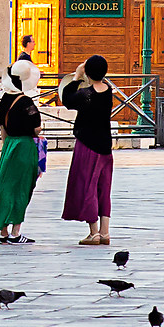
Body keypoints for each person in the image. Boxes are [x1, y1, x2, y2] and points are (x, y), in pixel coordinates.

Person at [60, 54, 118, 246]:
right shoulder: (108, 91)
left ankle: (94, 233)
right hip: (105, 147)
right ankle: (105, 232)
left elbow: (66, 99)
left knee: (88, 187)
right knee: (104, 188)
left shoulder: (86, 94)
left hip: (87, 145)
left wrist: (76, 77)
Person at [0, 58, 44, 242]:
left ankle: (3, 231)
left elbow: (2, 128)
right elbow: (37, 128)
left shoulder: (5, 99)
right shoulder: (26, 102)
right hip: (24, 147)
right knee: (22, 188)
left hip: (9, 147)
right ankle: (16, 232)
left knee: (6, 189)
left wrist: (5, 146)